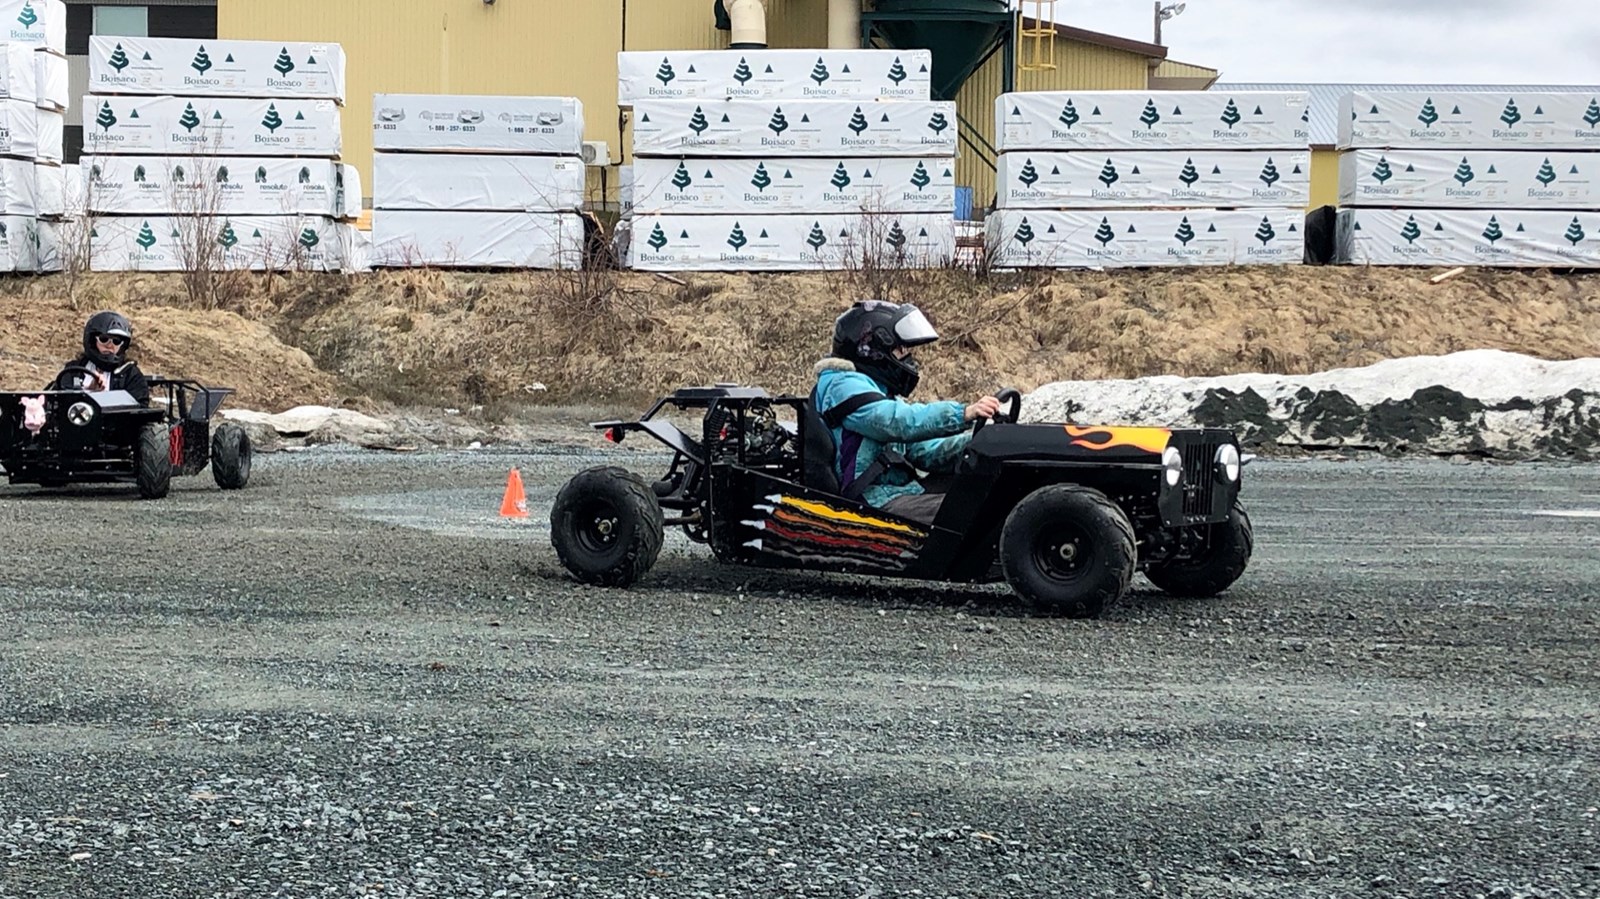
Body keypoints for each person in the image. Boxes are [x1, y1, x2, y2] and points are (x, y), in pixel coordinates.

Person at [813, 300, 1000, 525]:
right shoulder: (842, 386)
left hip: (900, 491)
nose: (908, 358)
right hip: (872, 500)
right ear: (873, 350)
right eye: (901, 350)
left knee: (989, 491)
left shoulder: (880, 390)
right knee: (977, 509)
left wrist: (977, 444)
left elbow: (923, 451)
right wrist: (962, 413)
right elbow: (897, 422)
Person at [55, 310, 150, 406]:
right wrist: (88, 391)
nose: (109, 345)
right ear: (92, 340)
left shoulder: (130, 374)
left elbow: (141, 409)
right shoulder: (73, 370)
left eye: (116, 341)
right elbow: (58, 402)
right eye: (104, 339)